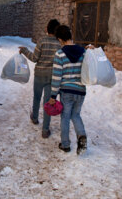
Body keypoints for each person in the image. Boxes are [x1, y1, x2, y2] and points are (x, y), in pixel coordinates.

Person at [48, 25, 88, 155]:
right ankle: (81, 136)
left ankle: (65, 144)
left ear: (60, 39)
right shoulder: (83, 52)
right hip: (81, 90)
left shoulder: (60, 54)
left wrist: (53, 96)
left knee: (65, 117)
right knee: (76, 115)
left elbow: (56, 76)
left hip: (66, 91)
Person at [19, 19, 61, 138]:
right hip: (52, 76)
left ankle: (35, 118)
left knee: (37, 97)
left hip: (39, 74)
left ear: (47, 29)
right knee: (49, 102)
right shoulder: (59, 43)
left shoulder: (42, 41)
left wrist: (24, 50)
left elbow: (34, 58)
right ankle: (45, 130)